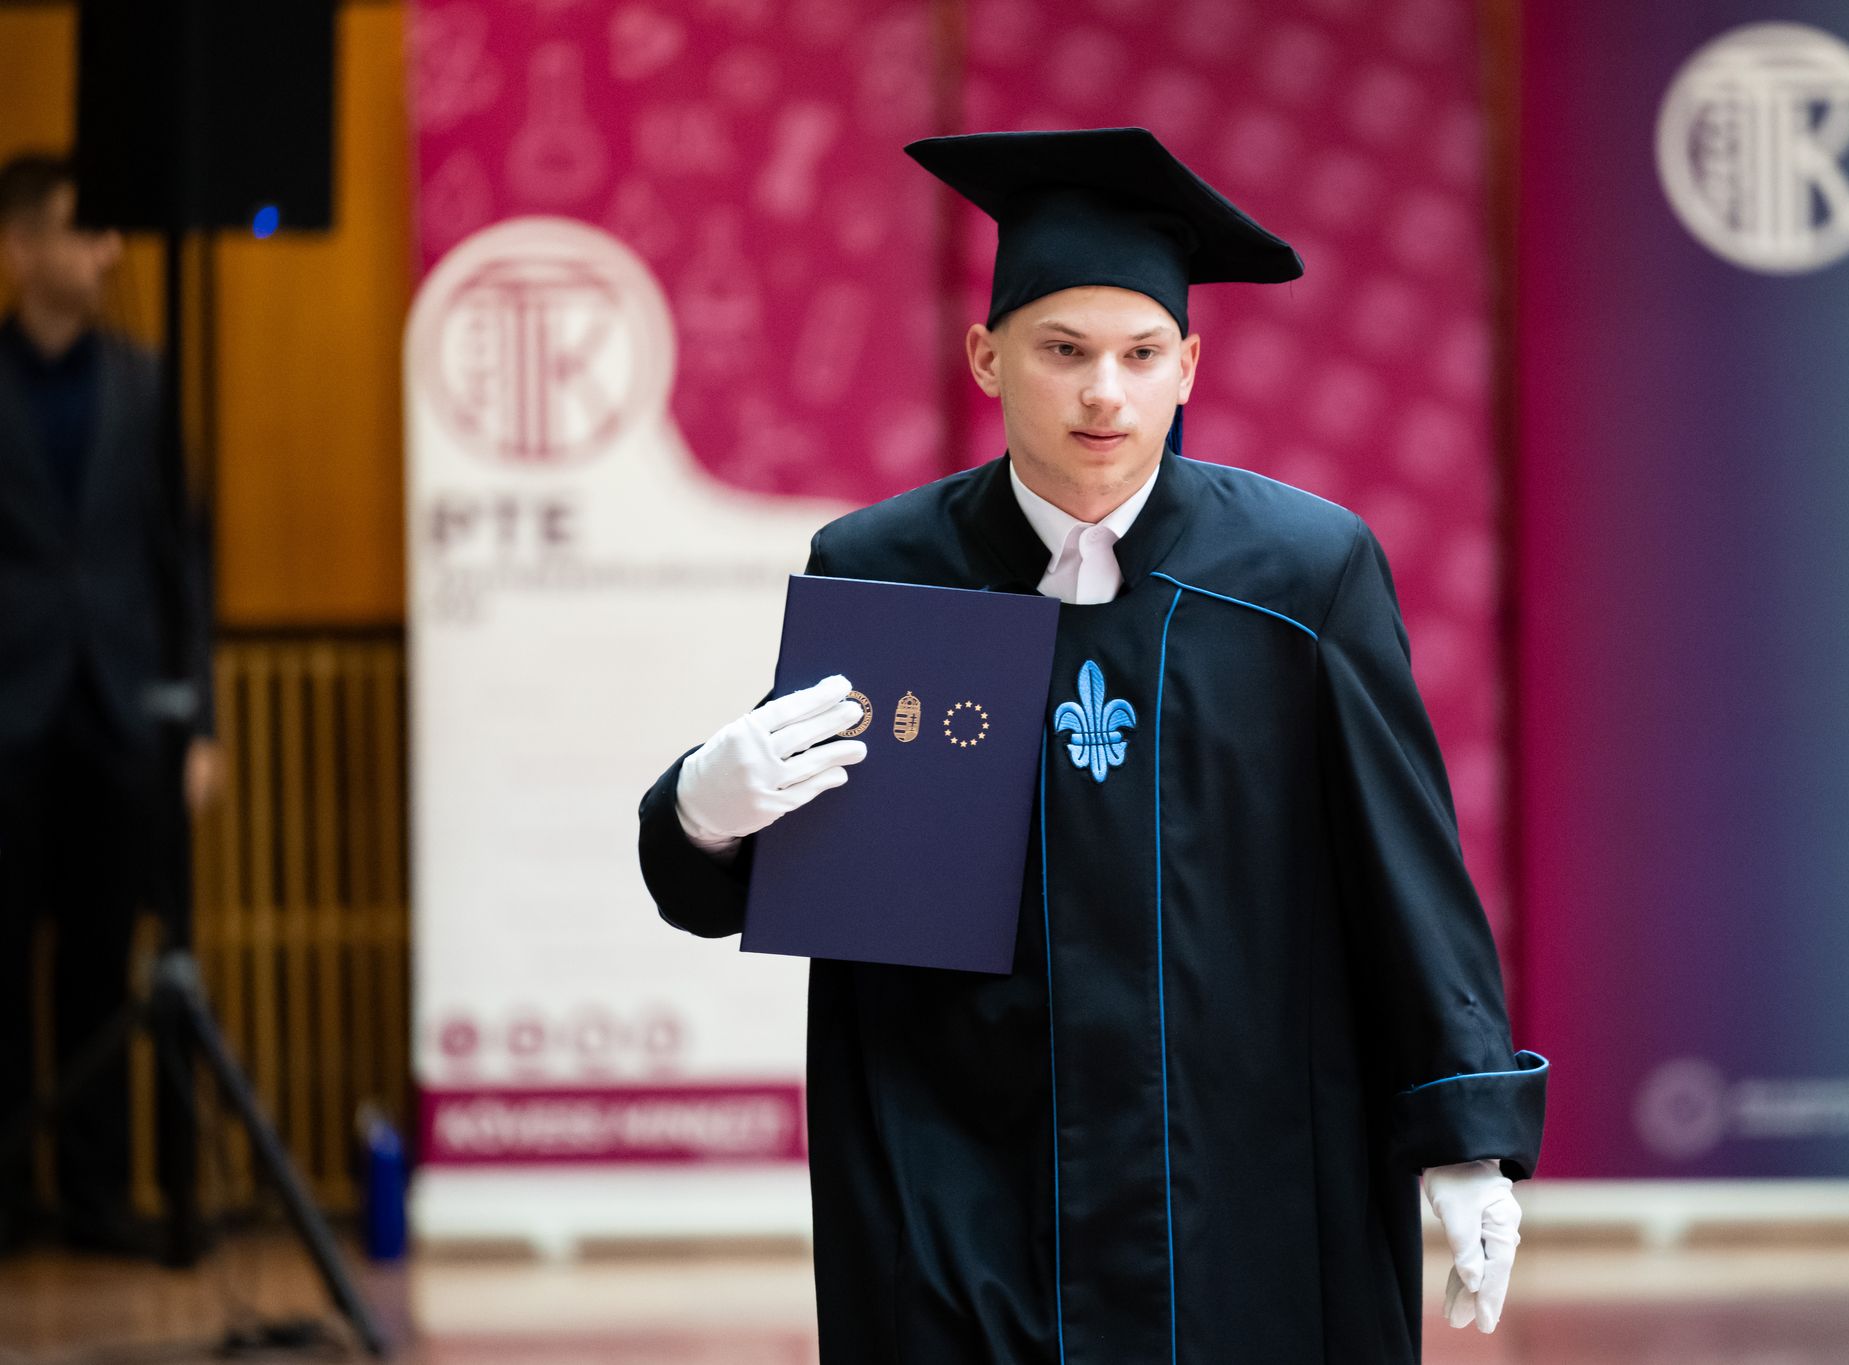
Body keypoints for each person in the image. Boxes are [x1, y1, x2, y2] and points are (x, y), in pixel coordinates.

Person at [638, 127, 1548, 1363]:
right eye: (1061, 351)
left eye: (1139, 353)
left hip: (1242, 1166)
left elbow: (1404, 872)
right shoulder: (883, 570)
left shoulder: (1301, 576)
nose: (1102, 393)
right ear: (986, 356)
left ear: (1188, 365)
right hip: (963, 1166)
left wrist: (1466, 1132)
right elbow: (795, 864)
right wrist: (701, 810)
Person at [0, 152, 221, 1256]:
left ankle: (97, 1197)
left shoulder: (147, 378)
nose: (111, 251)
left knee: (102, 961)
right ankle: (9, 1196)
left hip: (121, 710)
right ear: (21, 246)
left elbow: (187, 557)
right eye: (84, 230)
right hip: (8, 709)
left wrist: (202, 722)